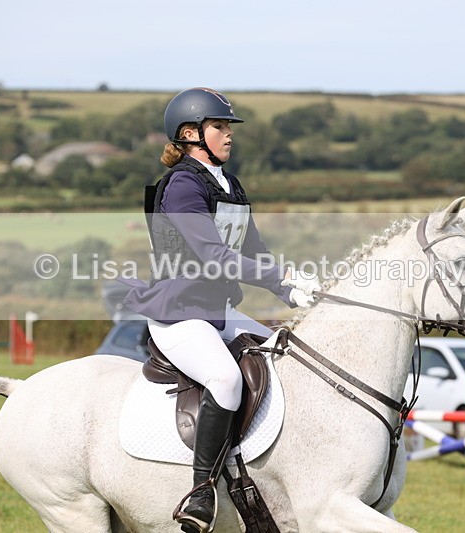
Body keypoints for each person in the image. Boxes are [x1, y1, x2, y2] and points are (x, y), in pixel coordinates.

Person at [122, 87, 319, 533]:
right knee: (226, 379)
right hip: (180, 314)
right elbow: (215, 257)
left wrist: (298, 294)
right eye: (220, 127)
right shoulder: (183, 186)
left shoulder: (229, 185)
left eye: (229, 127)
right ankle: (200, 490)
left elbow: (255, 249)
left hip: (218, 309)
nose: (229, 136)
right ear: (191, 134)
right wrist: (282, 278)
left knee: (288, 355)